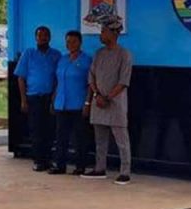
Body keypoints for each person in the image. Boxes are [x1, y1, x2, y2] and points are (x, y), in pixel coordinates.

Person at [82, 16, 134, 185]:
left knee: (121, 140)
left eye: (103, 31)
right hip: (98, 102)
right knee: (100, 139)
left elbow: (124, 81)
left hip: (115, 103)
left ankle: (125, 172)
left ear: (113, 33)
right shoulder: (98, 53)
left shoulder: (124, 54)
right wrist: (96, 96)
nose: (101, 34)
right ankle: (100, 168)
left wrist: (108, 97)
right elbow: (91, 76)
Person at [15, 26, 61, 171]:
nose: (43, 38)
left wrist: (55, 97)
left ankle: (48, 160)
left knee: (50, 130)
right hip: (33, 98)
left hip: (50, 97)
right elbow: (21, 78)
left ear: (50, 37)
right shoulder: (29, 53)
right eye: (40, 35)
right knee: (36, 130)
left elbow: (58, 78)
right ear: (36, 38)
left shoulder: (56, 55)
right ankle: (38, 161)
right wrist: (23, 100)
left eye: (46, 35)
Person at [50, 30, 93, 175]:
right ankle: (60, 165)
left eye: (73, 41)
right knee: (61, 137)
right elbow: (58, 82)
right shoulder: (62, 59)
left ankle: (80, 166)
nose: (70, 44)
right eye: (68, 42)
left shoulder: (87, 60)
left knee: (79, 138)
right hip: (61, 104)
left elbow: (90, 85)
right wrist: (53, 100)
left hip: (78, 104)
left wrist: (87, 103)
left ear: (80, 43)